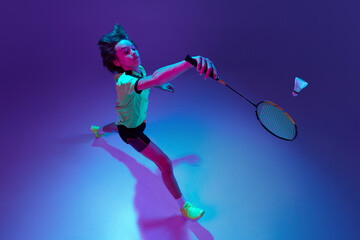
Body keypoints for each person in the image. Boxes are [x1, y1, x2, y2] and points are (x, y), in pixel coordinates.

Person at [91, 24, 218, 222]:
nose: (133, 53)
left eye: (133, 48)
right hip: (132, 131)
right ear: (116, 61)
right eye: (126, 52)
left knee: (115, 127)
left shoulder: (138, 70)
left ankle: (98, 130)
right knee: (164, 163)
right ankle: (184, 206)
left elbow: (151, 79)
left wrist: (160, 84)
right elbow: (154, 77)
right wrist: (189, 62)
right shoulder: (124, 81)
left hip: (127, 121)